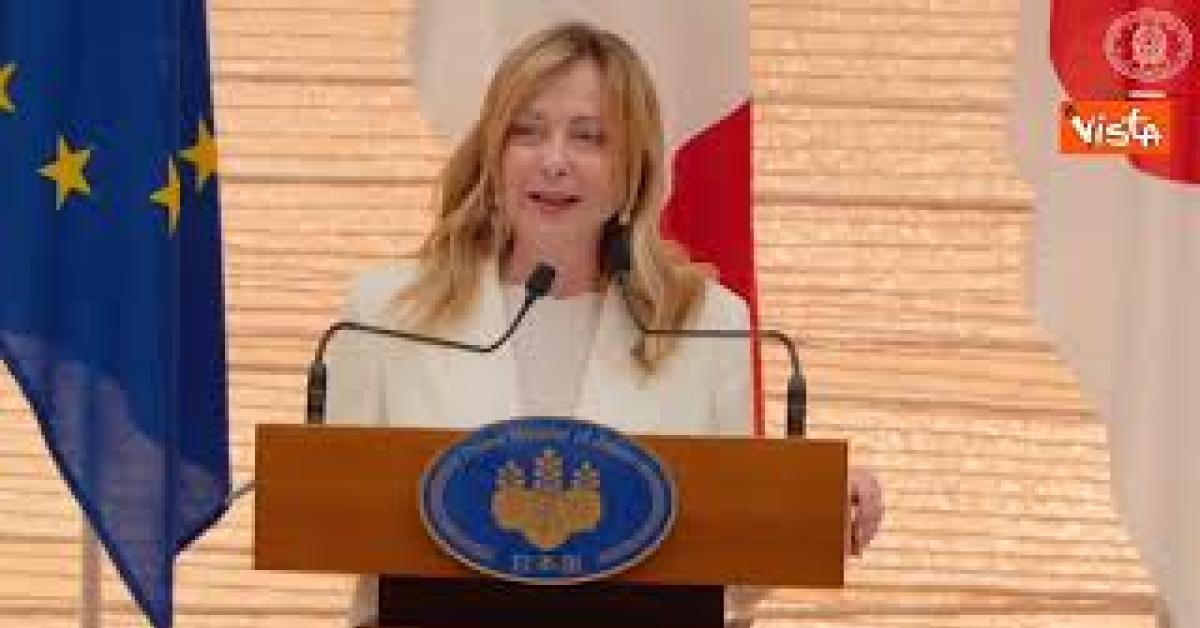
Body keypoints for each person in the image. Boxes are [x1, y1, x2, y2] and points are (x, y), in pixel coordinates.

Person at [324, 21, 882, 626]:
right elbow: (331, 517)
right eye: (527, 132)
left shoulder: (706, 323)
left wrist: (809, 510)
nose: (554, 161)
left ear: (631, 171)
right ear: (492, 154)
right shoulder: (387, 313)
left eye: (589, 137)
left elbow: (729, 566)